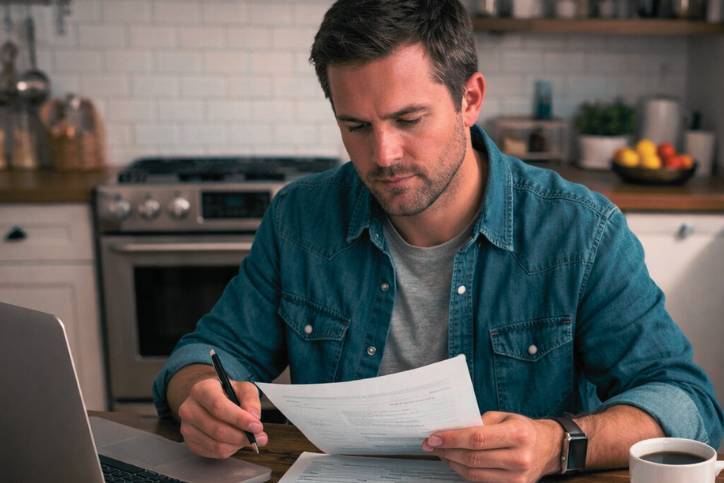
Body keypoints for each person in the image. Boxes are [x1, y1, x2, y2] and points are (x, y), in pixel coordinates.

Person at [153, 0, 723, 481]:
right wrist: (196, 394)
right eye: (356, 126)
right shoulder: (299, 217)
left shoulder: (580, 229)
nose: (383, 156)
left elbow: (685, 402)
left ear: (469, 99)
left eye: (408, 119)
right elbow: (206, 355)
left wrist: (557, 443)